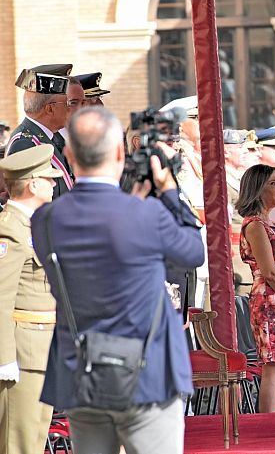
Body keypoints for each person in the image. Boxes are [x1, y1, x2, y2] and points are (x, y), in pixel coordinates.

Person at [33, 106, 203, 454]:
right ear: (119, 153)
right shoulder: (147, 214)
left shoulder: (46, 220)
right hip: (147, 373)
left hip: (82, 369)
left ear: (68, 154)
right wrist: (170, 190)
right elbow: (193, 252)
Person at [0, 146, 59, 454]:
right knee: (19, 444)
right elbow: (1, 298)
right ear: (33, 184)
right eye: (48, 179)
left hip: (41, 350)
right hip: (22, 354)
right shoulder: (10, 230)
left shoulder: (32, 226)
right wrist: (4, 358)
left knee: (34, 439)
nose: (53, 183)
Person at [235, 163, 275, 413]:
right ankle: (270, 425)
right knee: (273, 367)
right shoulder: (255, 225)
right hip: (269, 299)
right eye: (273, 184)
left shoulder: (268, 222)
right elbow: (269, 272)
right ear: (257, 190)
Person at [5, 65, 74, 199]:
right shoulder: (25, 143)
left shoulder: (54, 137)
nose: (69, 109)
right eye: (66, 103)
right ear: (50, 109)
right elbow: (27, 199)